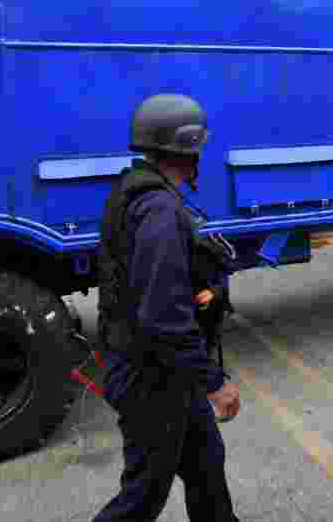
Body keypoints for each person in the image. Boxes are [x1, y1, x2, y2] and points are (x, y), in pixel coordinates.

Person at [94, 93, 241, 522]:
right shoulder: (159, 208)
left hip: (164, 369)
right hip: (149, 375)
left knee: (206, 463)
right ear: (189, 148)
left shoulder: (133, 190)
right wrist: (213, 381)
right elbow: (163, 317)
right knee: (144, 493)